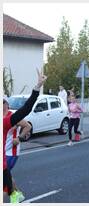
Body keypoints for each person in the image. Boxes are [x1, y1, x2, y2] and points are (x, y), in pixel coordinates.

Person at [3, 69, 47, 203]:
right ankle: (15, 194)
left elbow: (26, 110)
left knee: (6, 183)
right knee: (8, 183)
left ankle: (14, 195)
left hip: (9, 155)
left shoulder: (6, 120)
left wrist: (37, 87)